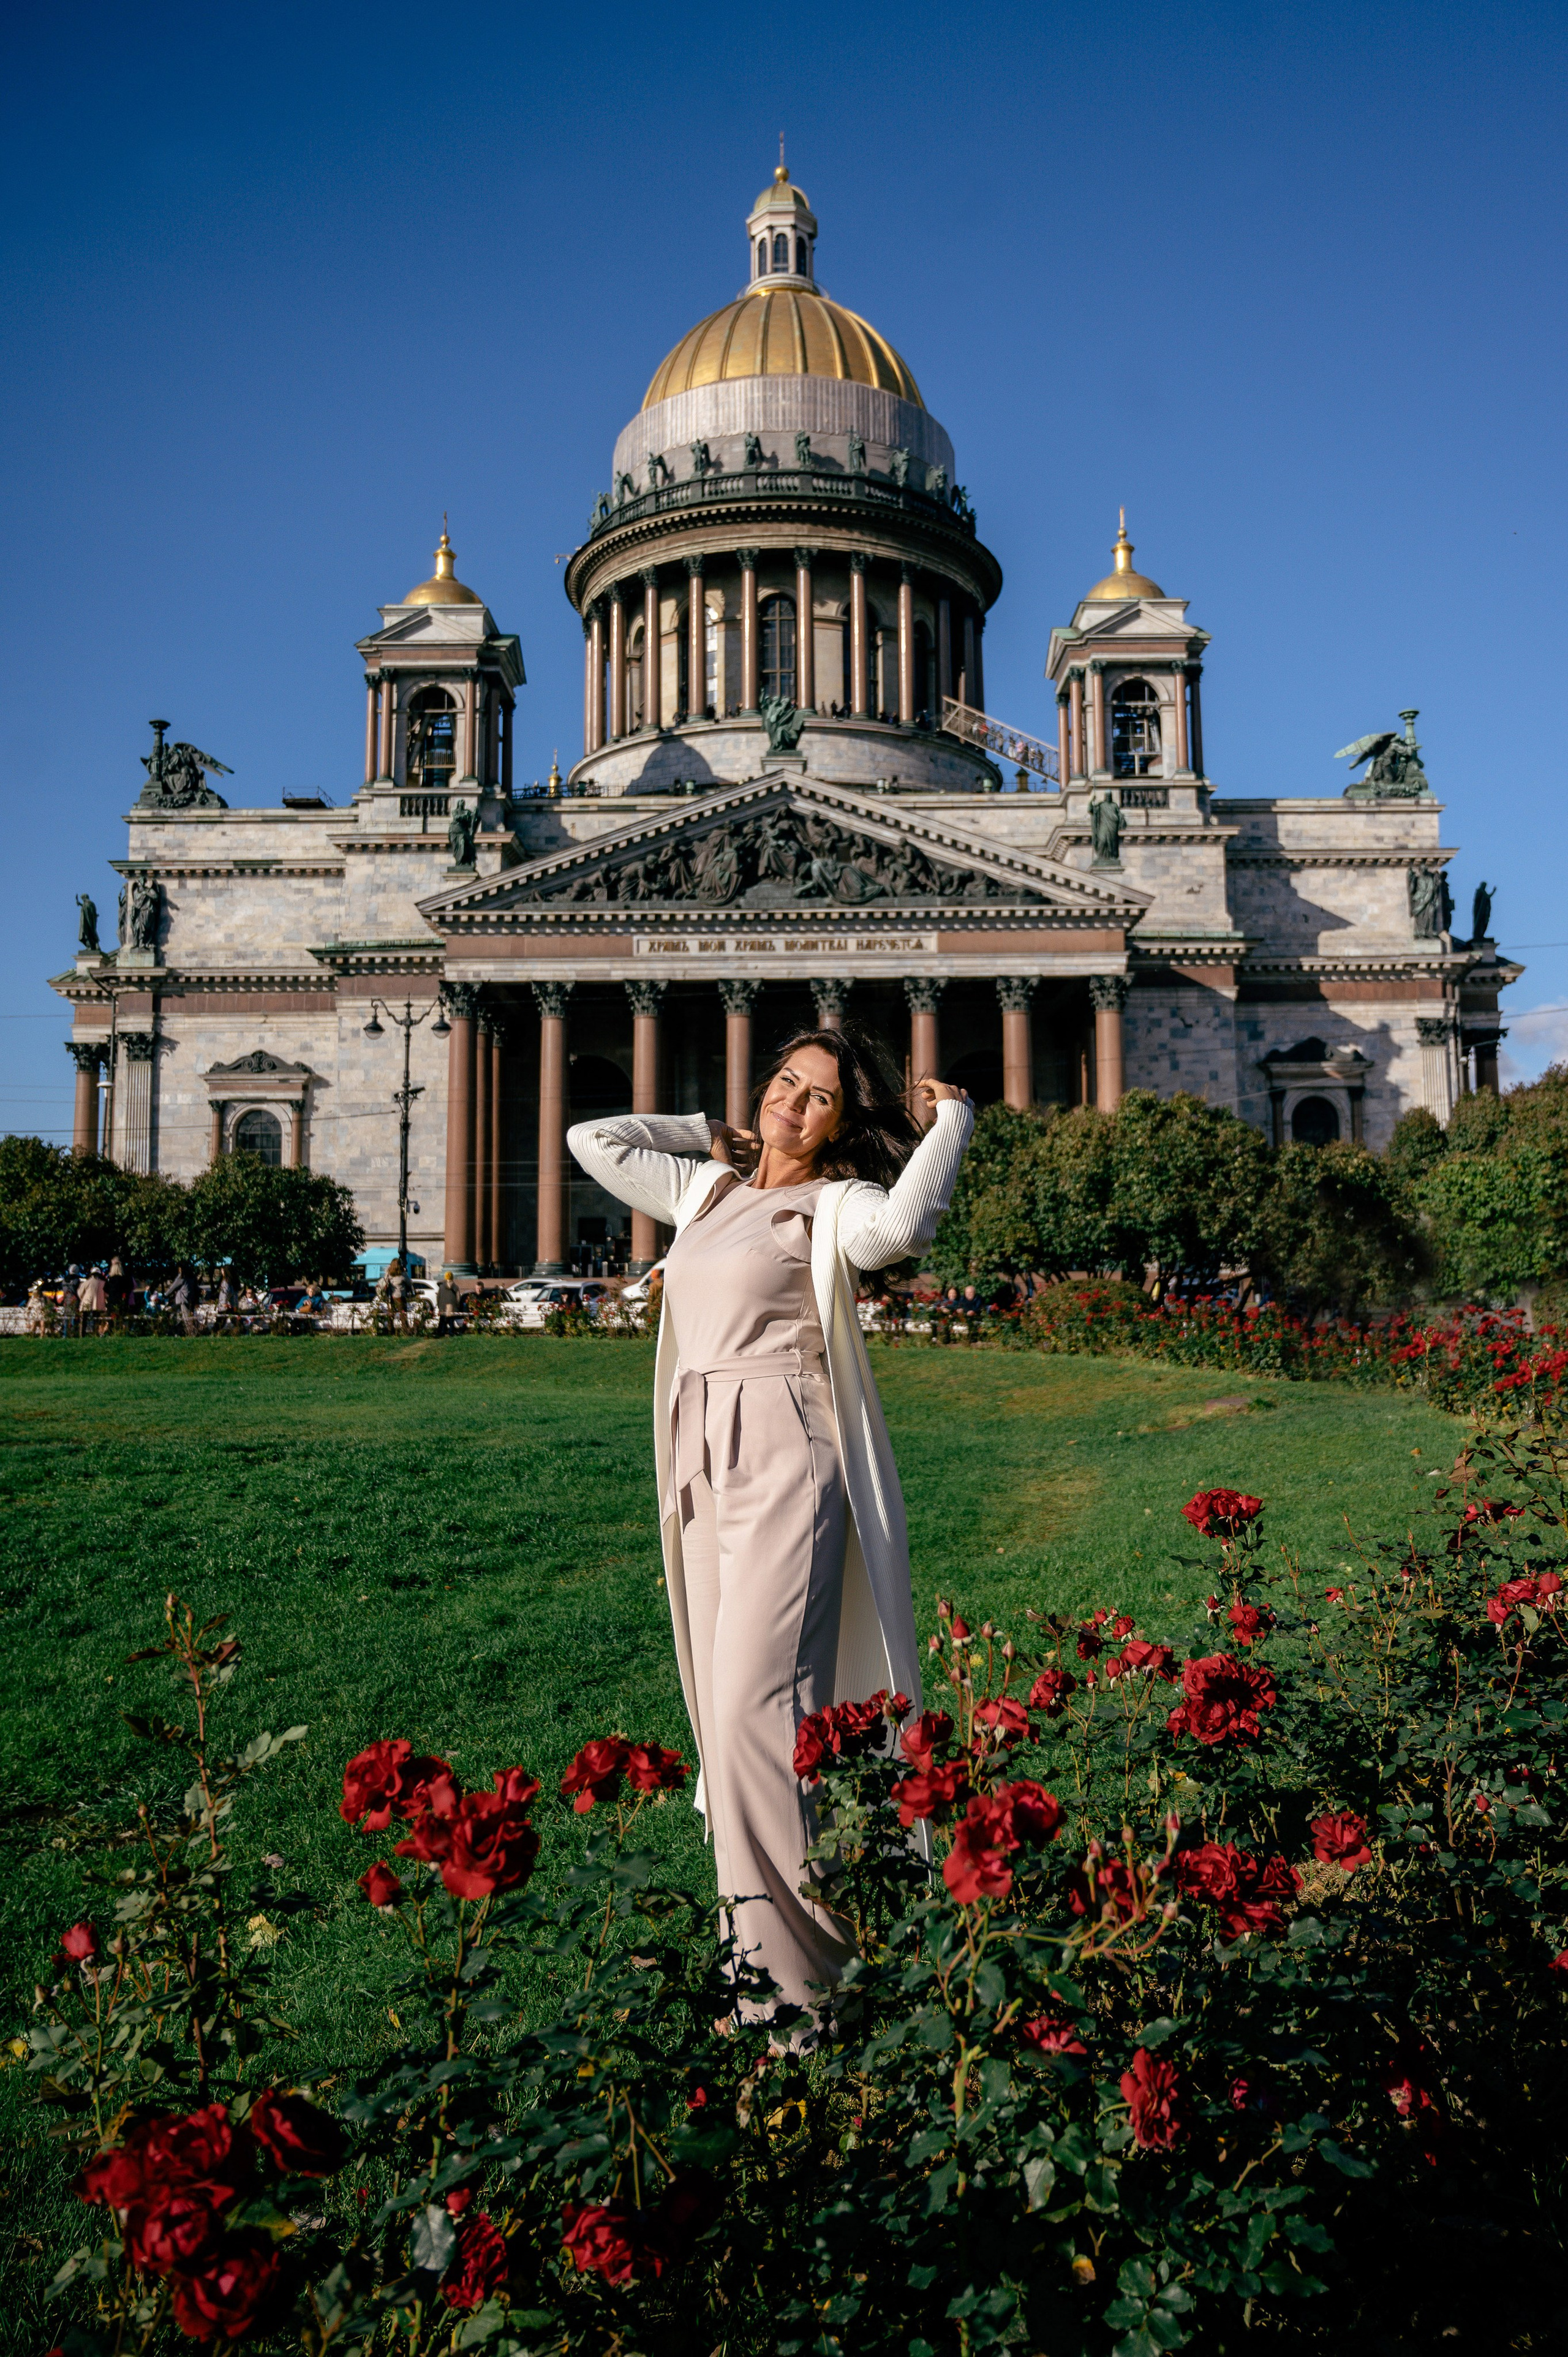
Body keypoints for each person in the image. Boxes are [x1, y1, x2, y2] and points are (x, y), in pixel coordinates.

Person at [567, 1026, 973, 2028]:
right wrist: (707, 1128)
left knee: (758, 1714)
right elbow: (596, 1142)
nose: (793, 1103)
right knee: (728, 1719)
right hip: (701, 1457)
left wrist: (954, 1122)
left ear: (842, 1124)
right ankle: (758, 1963)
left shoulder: (832, 1205)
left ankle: (801, 1991)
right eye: (786, 1083)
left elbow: (901, 1233)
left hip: (790, 1455)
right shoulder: (708, 1190)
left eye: (819, 1096)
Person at [105, 1256, 131, 1333]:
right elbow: (129, 1288)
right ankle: (122, 1332)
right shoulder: (125, 1279)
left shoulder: (110, 1279)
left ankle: (111, 1332)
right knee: (122, 1319)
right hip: (122, 1301)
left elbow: (106, 1289)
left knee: (111, 1319)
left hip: (112, 1301)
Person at [78, 1265, 107, 1334]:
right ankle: (95, 1333)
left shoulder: (86, 1282)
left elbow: (80, 1293)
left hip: (86, 1302)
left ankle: (83, 1334)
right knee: (96, 1319)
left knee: (85, 1319)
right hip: (98, 1304)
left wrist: (83, 1299)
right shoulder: (103, 1283)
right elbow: (106, 1295)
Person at [435, 1271, 459, 1335]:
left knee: (443, 1320)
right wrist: (457, 1306)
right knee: (451, 1320)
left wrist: (439, 1306)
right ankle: (451, 1332)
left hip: (443, 1306)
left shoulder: (441, 1287)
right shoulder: (456, 1287)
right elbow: (458, 1298)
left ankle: (442, 1332)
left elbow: (438, 1297)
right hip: (453, 1306)